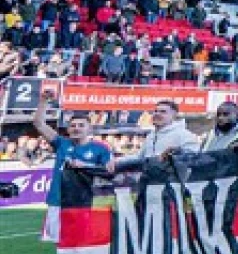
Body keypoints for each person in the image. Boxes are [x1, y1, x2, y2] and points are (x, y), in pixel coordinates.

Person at [32, 89, 112, 243]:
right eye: (73, 125)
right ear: (68, 129)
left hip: (84, 202)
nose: (76, 128)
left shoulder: (101, 149)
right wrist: (43, 101)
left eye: (81, 125)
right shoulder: (61, 143)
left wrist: (85, 165)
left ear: (89, 129)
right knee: (59, 244)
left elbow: (109, 173)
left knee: (81, 243)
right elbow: (39, 124)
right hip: (57, 200)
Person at [113, 99, 199, 171]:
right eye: (155, 111)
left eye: (163, 112)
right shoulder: (151, 135)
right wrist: (116, 161)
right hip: (150, 183)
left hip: (172, 186)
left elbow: (194, 160)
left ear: (174, 115)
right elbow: (139, 157)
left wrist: (175, 154)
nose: (157, 114)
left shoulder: (185, 135)